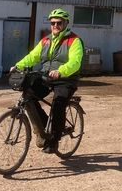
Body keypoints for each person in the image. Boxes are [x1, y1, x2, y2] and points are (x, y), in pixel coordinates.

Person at [10, 8, 84, 153]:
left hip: (66, 79)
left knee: (58, 104)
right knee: (28, 95)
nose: (55, 26)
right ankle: (43, 130)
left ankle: (54, 140)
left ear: (66, 23)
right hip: (47, 77)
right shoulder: (46, 40)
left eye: (59, 23)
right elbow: (33, 56)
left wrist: (61, 71)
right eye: (53, 23)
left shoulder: (74, 41)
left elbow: (75, 62)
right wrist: (18, 65)